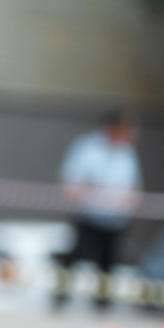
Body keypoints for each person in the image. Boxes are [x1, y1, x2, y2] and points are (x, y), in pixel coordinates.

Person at [53, 111, 142, 311]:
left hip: (115, 219)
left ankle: (102, 304)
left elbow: (133, 186)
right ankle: (60, 298)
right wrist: (85, 193)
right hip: (89, 215)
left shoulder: (126, 153)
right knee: (74, 257)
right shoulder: (87, 147)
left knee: (108, 262)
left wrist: (129, 201)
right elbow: (71, 180)